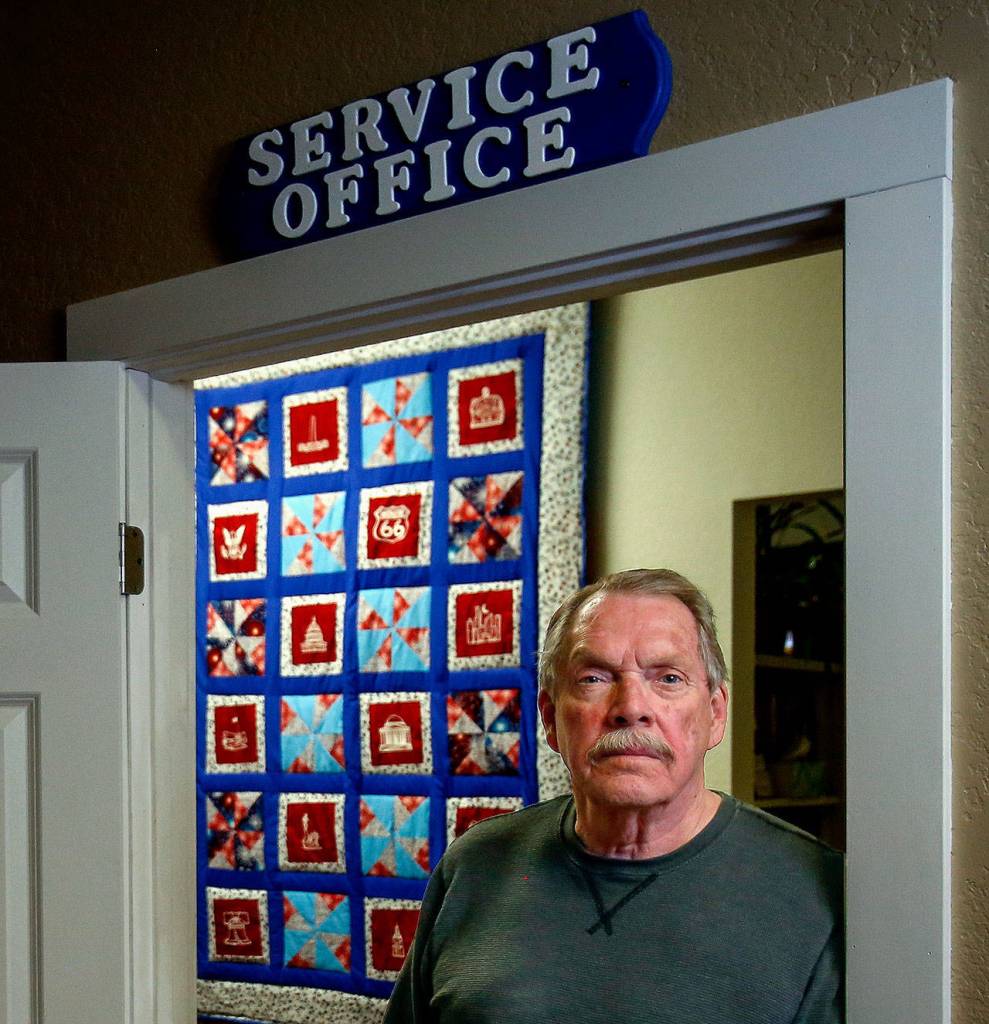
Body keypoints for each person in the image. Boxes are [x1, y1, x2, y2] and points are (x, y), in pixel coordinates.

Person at [383, 568, 843, 1023]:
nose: (631, 708)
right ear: (550, 717)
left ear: (716, 713)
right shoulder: (474, 866)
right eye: (594, 679)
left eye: (668, 678)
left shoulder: (818, 893)